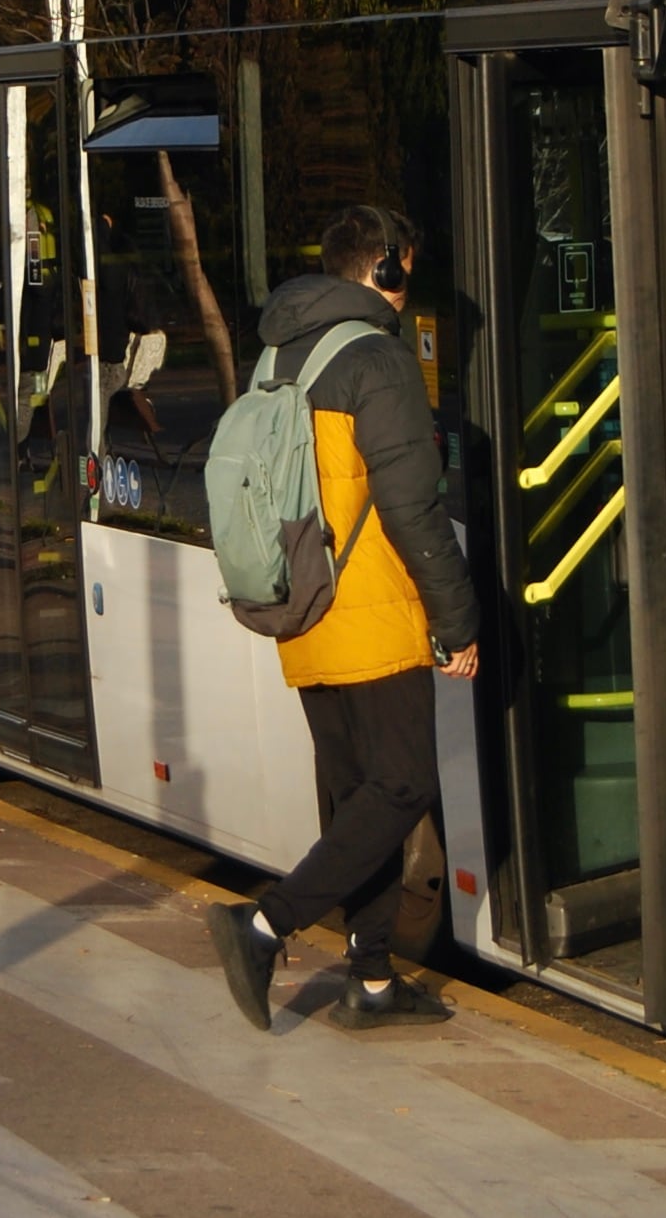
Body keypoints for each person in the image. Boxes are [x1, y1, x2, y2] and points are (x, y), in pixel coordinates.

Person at [206, 204, 482, 1034]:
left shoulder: (279, 355)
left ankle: (369, 980)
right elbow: (412, 507)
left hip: (302, 609)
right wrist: (457, 619)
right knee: (403, 785)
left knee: (355, 795)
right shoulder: (378, 359)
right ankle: (264, 925)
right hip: (372, 612)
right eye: (408, 271)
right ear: (387, 269)